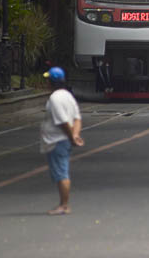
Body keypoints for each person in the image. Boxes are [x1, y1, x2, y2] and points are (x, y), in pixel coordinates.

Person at [39, 67, 84, 215]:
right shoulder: (67, 95)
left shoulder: (55, 98)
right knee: (61, 171)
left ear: (51, 82)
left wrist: (72, 138)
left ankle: (64, 205)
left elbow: (63, 122)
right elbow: (77, 118)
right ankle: (63, 204)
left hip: (57, 140)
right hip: (61, 139)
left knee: (61, 173)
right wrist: (76, 135)